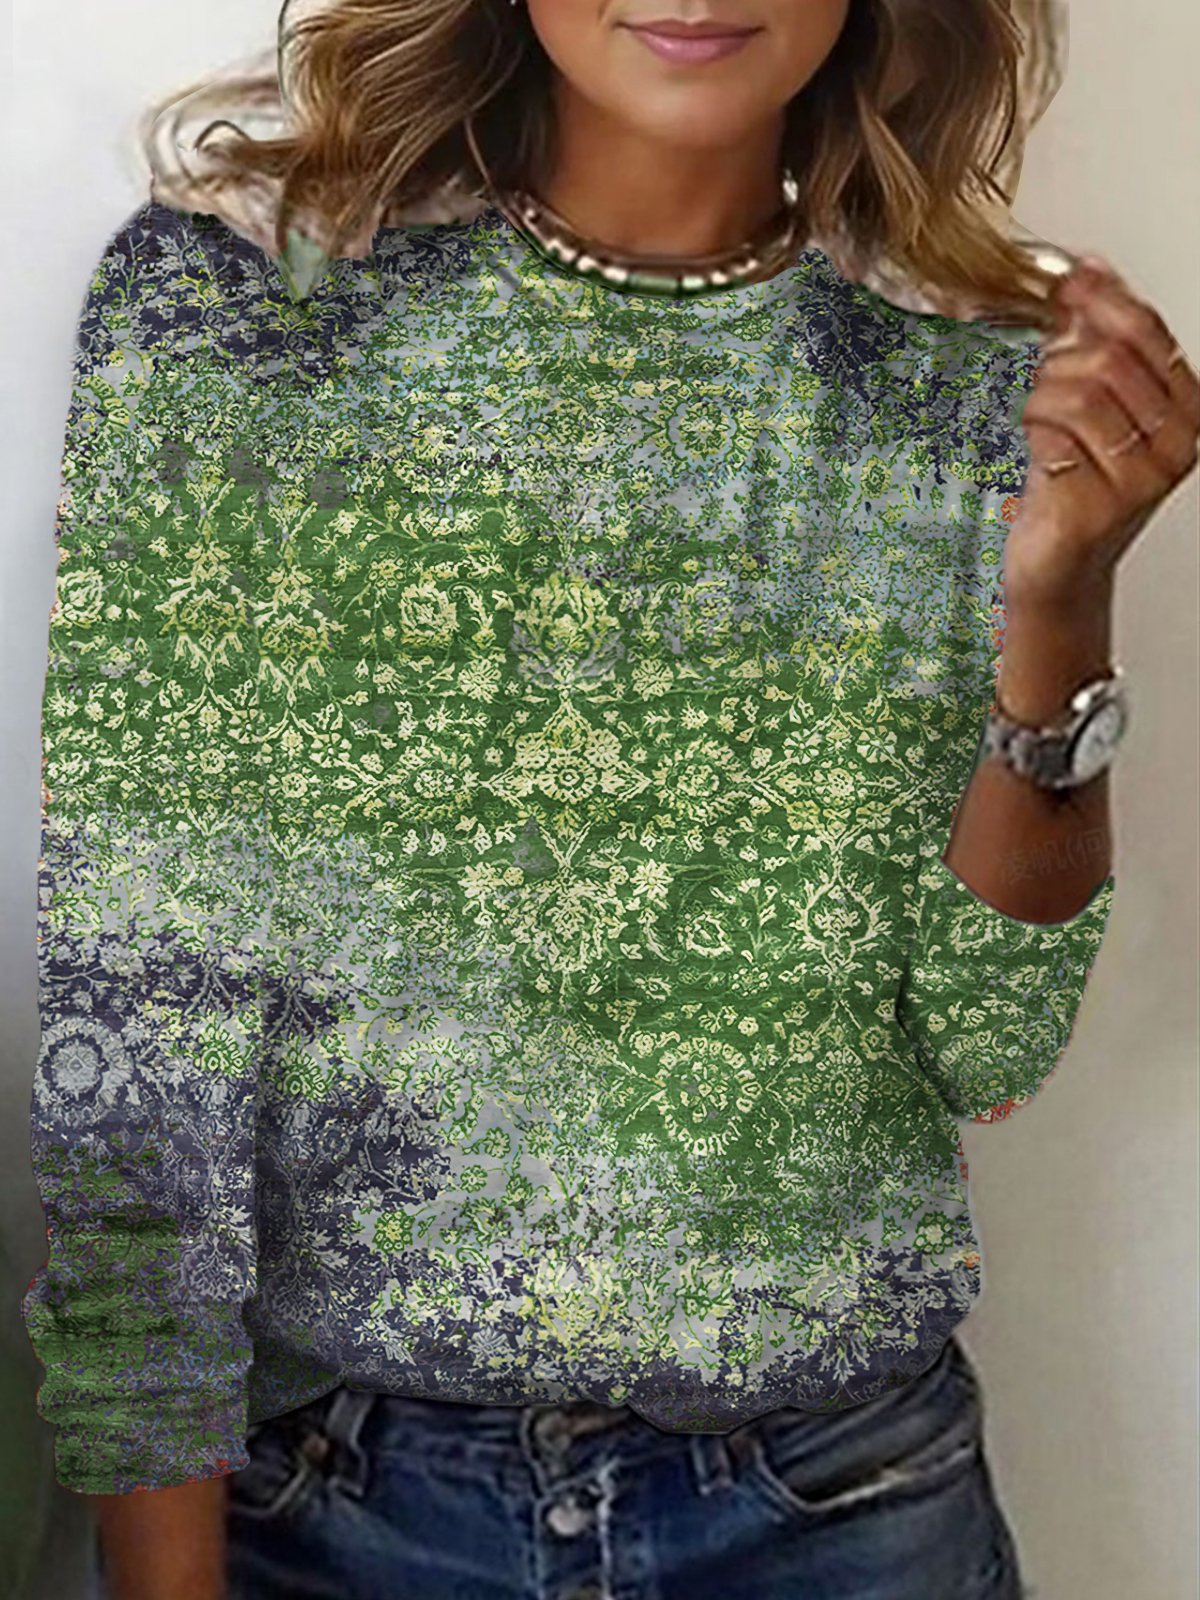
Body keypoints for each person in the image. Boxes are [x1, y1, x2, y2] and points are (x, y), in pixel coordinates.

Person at [21, 2, 1198, 1598]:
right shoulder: (243, 312)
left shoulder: (984, 376)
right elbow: (139, 1035)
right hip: (333, 1509)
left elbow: (988, 1049)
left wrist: (1059, 602)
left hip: (838, 1505)